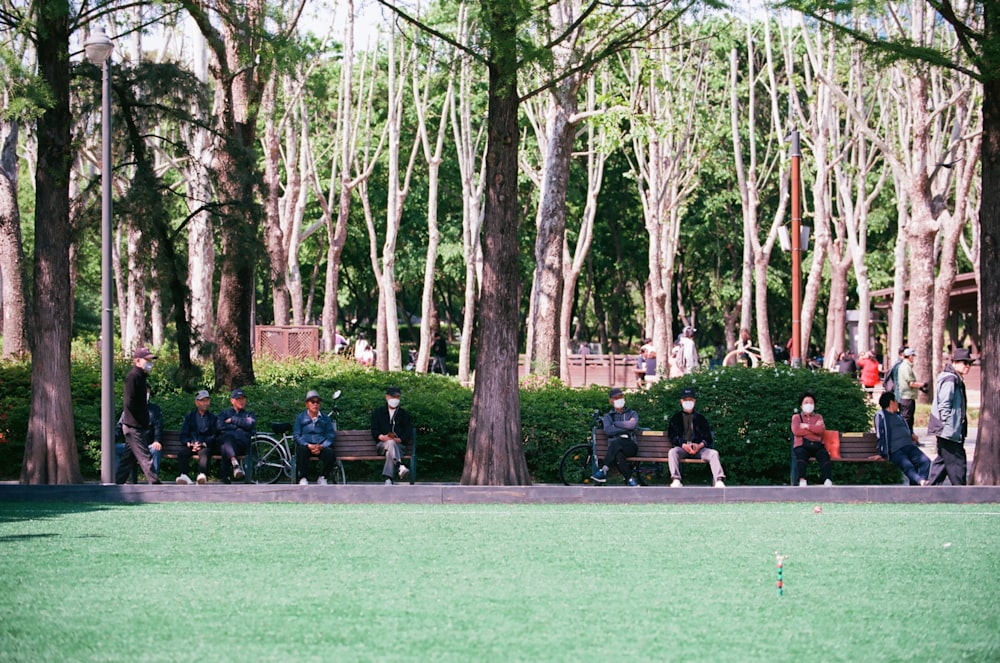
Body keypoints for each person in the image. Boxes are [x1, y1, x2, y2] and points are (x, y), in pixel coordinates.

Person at [926, 348, 974, 486]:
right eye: (964, 363)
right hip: (948, 430)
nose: (967, 366)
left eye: (969, 363)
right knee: (957, 463)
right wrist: (948, 424)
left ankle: (930, 491)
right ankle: (961, 494)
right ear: (954, 362)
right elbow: (944, 404)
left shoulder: (954, 378)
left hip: (949, 429)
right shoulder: (950, 379)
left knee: (942, 462)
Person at [115, 347, 161, 484]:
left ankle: (116, 484)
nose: (150, 363)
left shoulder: (141, 377)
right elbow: (129, 402)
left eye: (150, 360)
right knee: (145, 456)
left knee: (128, 459)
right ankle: (156, 484)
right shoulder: (133, 377)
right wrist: (140, 419)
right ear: (138, 361)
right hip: (133, 425)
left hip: (135, 425)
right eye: (147, 360)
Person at [666, 387, 726, 487]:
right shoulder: (676, 418)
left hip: (699, 449)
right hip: (683, 448)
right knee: (672, 452)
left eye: (691, 400)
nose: (688, 402)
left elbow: (707, 437)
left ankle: (719, 480)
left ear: (694, 401)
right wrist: (683, 444)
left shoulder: (701, 418)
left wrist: (699, 446)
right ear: (681, 401)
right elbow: (672, 436)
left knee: (714, 453)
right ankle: (676, 479)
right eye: (686, 400)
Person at [874, 392, 930, 486]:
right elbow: (880, 435)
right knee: (908, 466)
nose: (898, 403)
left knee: (925, 461)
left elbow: (904, 428)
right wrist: (881, 453)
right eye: (896, 401)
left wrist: (911, 434)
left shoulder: (898, 415)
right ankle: (921, 481)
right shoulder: (881, 415)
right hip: (895, 450)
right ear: (891, 402)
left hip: (909, 446)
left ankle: (919, 485)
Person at [591, 387, 640, 486]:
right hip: (616, 448)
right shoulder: (608, 416)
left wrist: (615, 424)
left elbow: (633, 425)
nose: (619, 400)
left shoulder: (632, 413)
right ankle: (630, 479)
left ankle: (604, 469)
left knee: (617, 442)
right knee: (618, 455)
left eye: (621, 397)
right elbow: (608, 431)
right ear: (611, 401)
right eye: (616, 398)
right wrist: (626, 428)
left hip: (630, 446)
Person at [115, 385, 163, 483]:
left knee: (155, 449)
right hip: (130, 444)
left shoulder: (155, 410)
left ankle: (153, 480)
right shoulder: (128, 409)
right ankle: (118, 479)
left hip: (148, 445)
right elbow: (119, 427)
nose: (145, 394)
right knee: (114, 449)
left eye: (147, 391)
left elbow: (158, 426)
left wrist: (157, 440)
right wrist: (111, 440)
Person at [370, 386, 413, 484]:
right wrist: (381, 437)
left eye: (397, 397)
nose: (395, 400)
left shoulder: (404, 414)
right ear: (387, 397)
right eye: (393, 397)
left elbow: (408, 432)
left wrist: (400, 440)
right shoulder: (378, 413)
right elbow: (374, 429)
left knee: (391, 449)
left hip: (398, 446)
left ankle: (388, 479)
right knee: (389, 443)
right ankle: (399, 466)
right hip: (382, 445)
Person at [294, 390, 337, 485]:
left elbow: (330, 435)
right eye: (312, 402)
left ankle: (323, 477)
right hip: (306, 446)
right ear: (307, 404)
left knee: (330, 453)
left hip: (320, 446)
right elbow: (297, 435)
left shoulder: (325, 418)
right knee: (301, 450)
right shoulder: (300, 418)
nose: (315, 404)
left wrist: (322, 446)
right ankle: (303, 478)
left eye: (317, 402)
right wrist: (308, 445)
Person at [790, 391, 832, 487]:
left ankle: (827, 479)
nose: (809, 404)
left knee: (824, 455)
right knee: (800, 454)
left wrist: (806, 426)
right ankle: (802, 480)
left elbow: (821, 430)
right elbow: (796, 431)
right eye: (806, 402)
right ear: (801, 405)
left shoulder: (818, 417)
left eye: (811, 402)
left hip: (817, 445)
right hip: (802, 445)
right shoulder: (796, 417)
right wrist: (814, 430)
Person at [177, 389, 218, 485]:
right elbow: (183, 434)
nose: (205, 403)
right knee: (182, 453)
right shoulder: (190, 417)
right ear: (196, 402)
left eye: (207, 400)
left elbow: (215, 435)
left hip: (204, 445)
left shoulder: (213, 418)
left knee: (205, 452)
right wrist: (189, 443)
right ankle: (184, 476)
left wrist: (204, 443)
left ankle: (202, 475)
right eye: (202, 401)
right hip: (192, 444)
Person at [216, 389, 256, 483]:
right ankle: (235, 465)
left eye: (243, 399)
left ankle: (225, 477)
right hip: (227, 443)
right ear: (232, 401)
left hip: (241, 445)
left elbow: (250, 423)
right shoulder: (224, 413)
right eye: (238, 399)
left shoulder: (249, 414)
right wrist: (239, 426)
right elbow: (219, 426)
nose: (241, 401)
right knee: (227, 439)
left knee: (225, 444)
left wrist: (233, 420)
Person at [896, 348, 925, 433]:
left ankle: (910, 438)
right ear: (910, 356)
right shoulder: (906, 367)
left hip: (906, 397)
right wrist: (922, 385)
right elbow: (911, 383)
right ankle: (907, 439)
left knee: (908, 419)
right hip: (906, 397)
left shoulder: (904, 366)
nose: (913, 358)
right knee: (907, 420)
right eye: (913, 356)